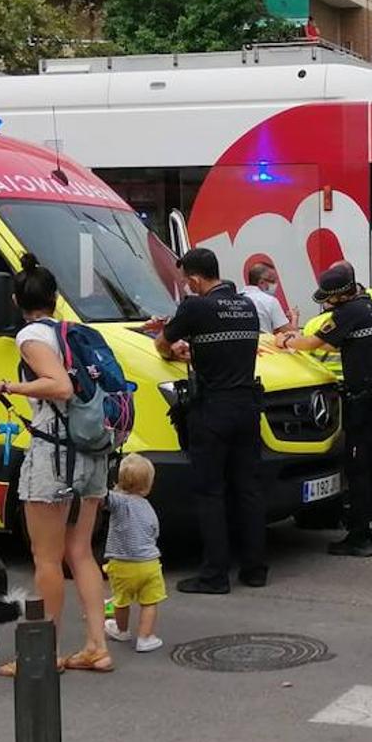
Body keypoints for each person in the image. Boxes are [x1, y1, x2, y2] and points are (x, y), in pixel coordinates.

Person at [0, 255, 112, 675]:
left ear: (17, 300)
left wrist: (4, 386)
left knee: (47, 557)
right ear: (55, 298)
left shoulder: (31, 336)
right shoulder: (72, 333)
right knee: (81, 553)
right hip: (90, 451)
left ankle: (46, 652)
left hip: (54, 456)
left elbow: (59, 386)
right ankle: (96, 647)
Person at [154, 248, 267, 594]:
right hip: (247, 408)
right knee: (247, 490)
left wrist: (177, 350)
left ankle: (214, 575)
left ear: (194, 279)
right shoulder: (247, 305)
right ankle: (254, 569)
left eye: (186, 281)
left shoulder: (195, 307)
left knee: (210, 492)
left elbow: (162, 343)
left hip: (213, 411)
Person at [278, 265, 372, 556]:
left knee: (357, 467)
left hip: (365, 399)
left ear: (342, 296)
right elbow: (346, 346)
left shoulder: (346, 314)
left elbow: (313, 342)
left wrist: (287, 340)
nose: (327, 303)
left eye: (329, 299)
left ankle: (358, 538)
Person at [102, 454, 166, 654]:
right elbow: (154, 532)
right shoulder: (148, 508)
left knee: (121, 600)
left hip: (122, 564)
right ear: (148, 485)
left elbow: (103, 498)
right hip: (149, 564)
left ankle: (121, 630)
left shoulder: (119, 502)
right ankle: (145, 637)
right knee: (149, 602)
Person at [238, 262, 294, 334]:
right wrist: (294, 317)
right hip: (262, 344)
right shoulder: (269, 301)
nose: (276, 284)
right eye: (273, 281)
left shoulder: (237, 298)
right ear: (261, 282)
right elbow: (292, 334)